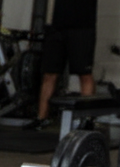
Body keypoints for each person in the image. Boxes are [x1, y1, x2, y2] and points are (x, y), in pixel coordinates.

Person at [32, 0, 98, 129]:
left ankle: (87, 119)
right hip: (57, 26)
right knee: (49, 73)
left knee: (84, 73)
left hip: (82, 26)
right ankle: (41, 118)